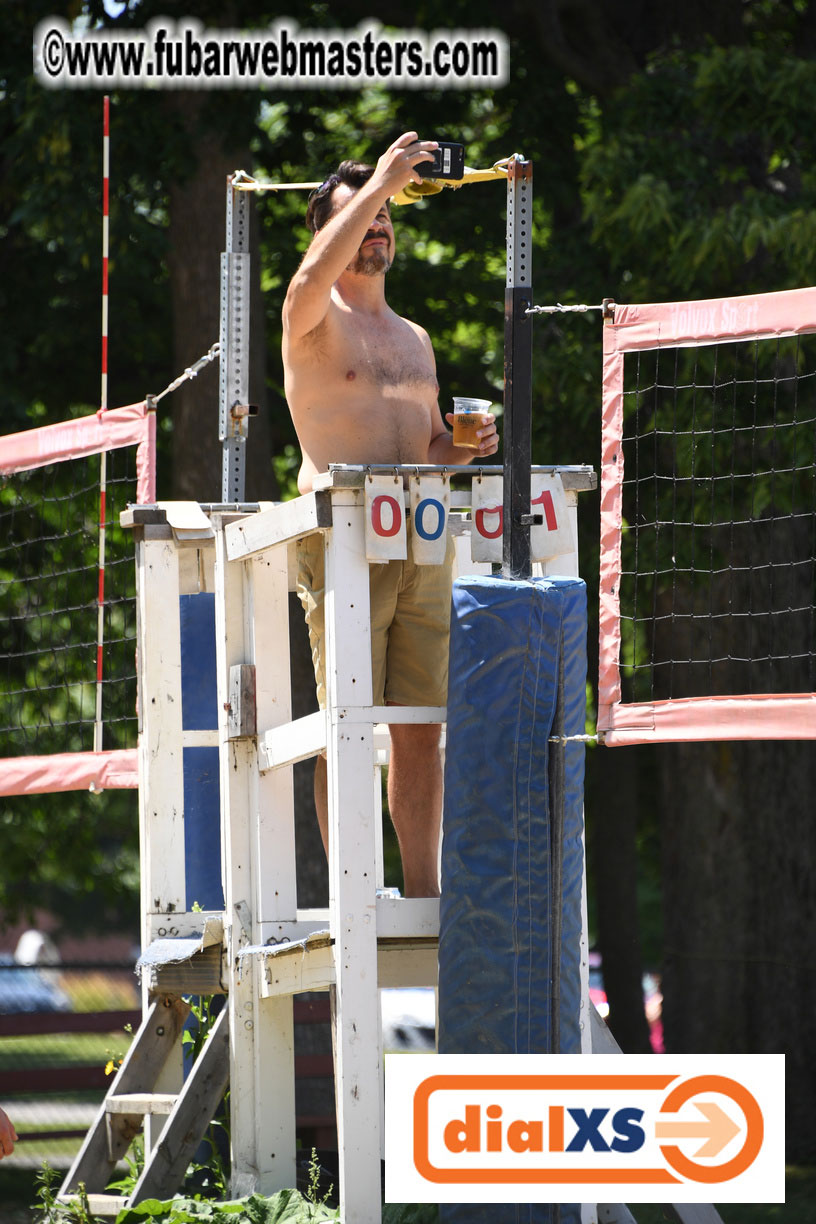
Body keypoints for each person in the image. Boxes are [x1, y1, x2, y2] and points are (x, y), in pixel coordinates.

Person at [282, 132, 499, 897]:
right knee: (346, 719)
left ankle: (422, 891)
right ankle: (352, 891)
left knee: (420, 726)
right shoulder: (312, 315)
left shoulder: (415, 338)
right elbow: (312, 274)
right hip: (341, 540)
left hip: (422, 537)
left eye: (384, 219)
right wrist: (377, 182)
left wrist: (463, 448)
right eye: (362, 218)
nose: (378, 227)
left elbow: (432, 446)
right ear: (330, 233)